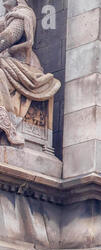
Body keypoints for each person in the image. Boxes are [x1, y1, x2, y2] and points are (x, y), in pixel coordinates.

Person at [0, 0, 60, 145]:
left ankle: (8, 127)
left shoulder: (22, 14)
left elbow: (8, 37)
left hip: (24, 67)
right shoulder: (7, 18)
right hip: (9, 62)